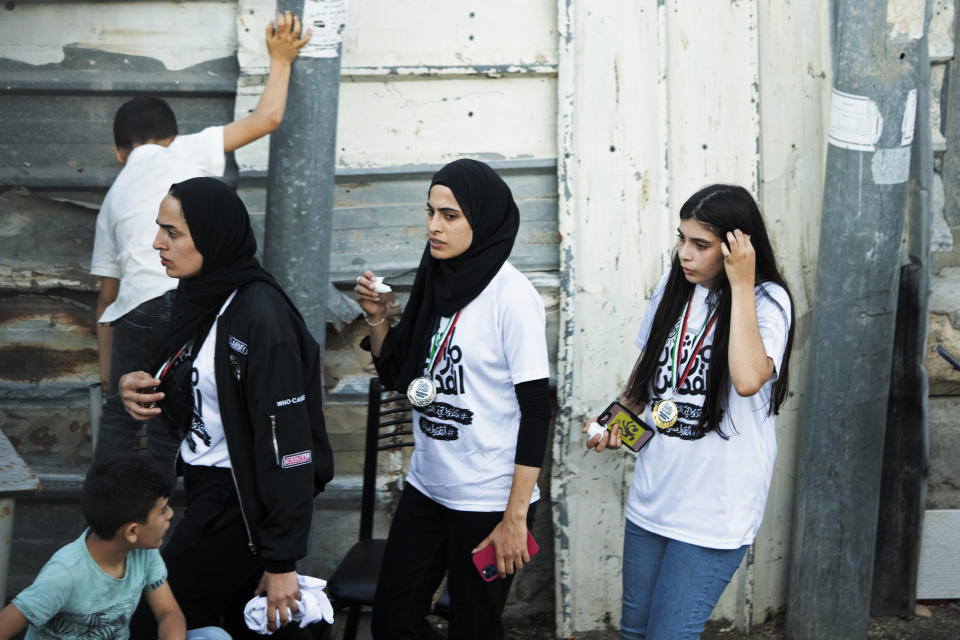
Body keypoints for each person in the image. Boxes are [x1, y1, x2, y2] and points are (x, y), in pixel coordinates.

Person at [90, 12, 312, 471]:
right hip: (187, 302)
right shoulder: (185, 150)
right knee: (177, 416)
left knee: (124, 417)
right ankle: (170, 518)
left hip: (134, 311)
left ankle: (111, 524)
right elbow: (267, 117)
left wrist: (109, 380)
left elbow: (106, 302)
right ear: (171, 137)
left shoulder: (112, 198)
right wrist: (281, 57)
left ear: (117, 153)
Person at [117, 177, 334, 639]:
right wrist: (140, 387)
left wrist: (281, 561)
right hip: (205, 487)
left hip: (237, 503)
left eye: (172, 232)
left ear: (212, 237)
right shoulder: (201, 297)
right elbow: (196, 390)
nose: (157, 242)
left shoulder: (260, 317)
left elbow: (289, 447)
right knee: (241, 624)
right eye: (160, 229)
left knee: (154, 621)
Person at [584, 184, 795, 640]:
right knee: (634, 634)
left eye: (700, 244)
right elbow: (648, 376)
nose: (685, 254)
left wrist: (741, 282)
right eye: (681, 239)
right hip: (655, 494)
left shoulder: (767, 302)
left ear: (738, 247)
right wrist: (613, 421)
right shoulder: (675, 287)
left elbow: (746, 378)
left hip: (714, 508)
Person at [354, 158, 552, 640]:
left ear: (481, 219)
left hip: (488, 500)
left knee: (475, 627)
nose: (433, 227)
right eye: (430, 213)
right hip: (429, 487)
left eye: (450, 215)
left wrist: (514, 517)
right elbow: (399, 374)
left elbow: (536, 411)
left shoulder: (513, 297)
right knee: (392, 622)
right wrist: (378, 318)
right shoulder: (435, 281)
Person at [0, 455, 230, 640]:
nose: (170, 514)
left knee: (213, 636)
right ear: (132, 531)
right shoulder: (64, 574)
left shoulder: (145, 553)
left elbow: (168, 612)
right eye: (162, 511)